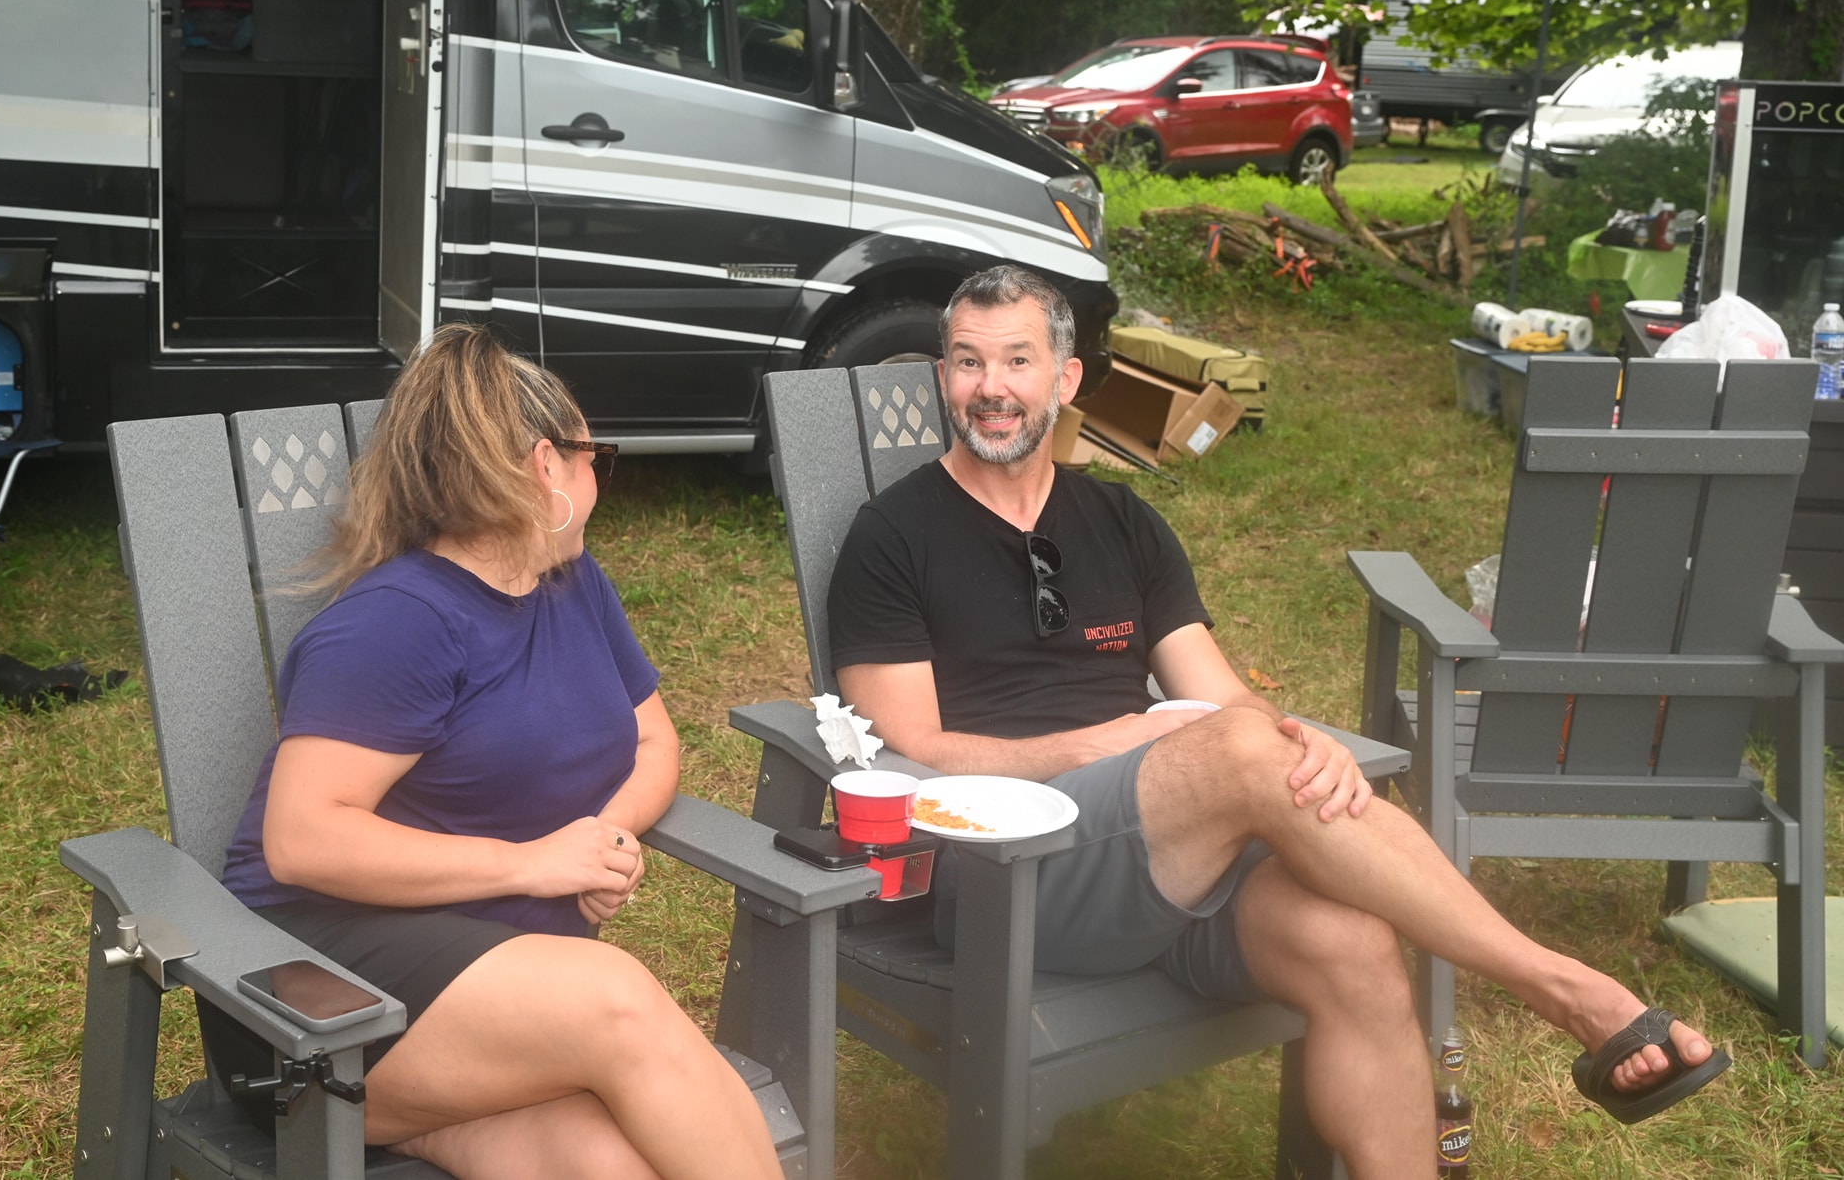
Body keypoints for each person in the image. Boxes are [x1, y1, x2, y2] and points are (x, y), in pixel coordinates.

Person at [826, 266, 1730, 1180]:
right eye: (968, 362)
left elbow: (1223, 698)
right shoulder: (893, 537)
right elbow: (912, 751)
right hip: (1010, 876)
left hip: (1173, 849)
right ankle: (1569, 991)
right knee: (1236, 750)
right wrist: (1109, 745)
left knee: (1356, 946)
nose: (991, 387)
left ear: (1064, 380)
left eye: (1017, 360)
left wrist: (1302, 741)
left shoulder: (1122, 519)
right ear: (943, 376)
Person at [217, 324, 780, 1180]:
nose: (603, 480)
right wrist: (532, 864)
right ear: (545, 467)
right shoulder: (399, 621)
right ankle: (403, 1116)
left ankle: (422, 1127)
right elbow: (302, 838)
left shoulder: (571, 582)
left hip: (495, 1001)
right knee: (622, 1005)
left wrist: (604, 839)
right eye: (600, 457)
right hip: (319, 996)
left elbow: (654, 738)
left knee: (611, 1161)